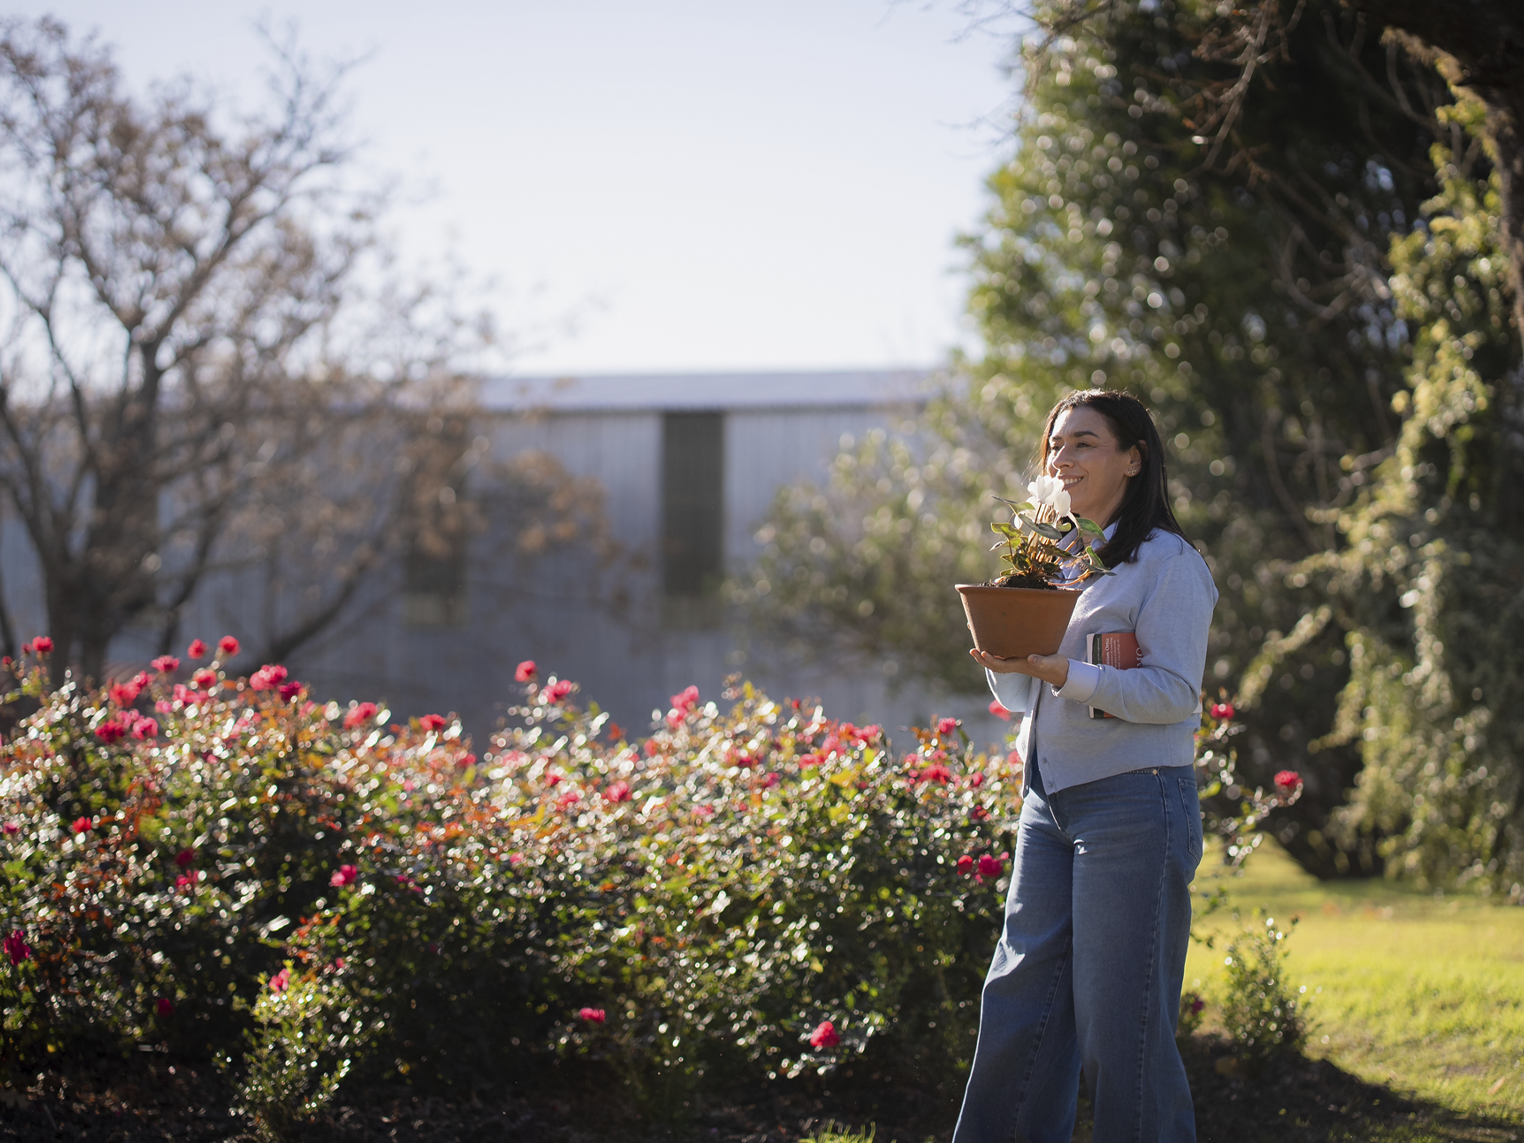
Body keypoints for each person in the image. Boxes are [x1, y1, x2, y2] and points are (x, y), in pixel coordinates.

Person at [952, 389, 1217, 1143]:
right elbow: (1018, 691)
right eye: (1055, 444)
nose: (1062, 458)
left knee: (1121, 1028)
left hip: (1136, 806)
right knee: (1017, 1005)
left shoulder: (1169, 564)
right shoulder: (1049, 556)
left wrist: (1066, 673)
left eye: (1085, 443)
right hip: (1049, 802)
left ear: (1133, 459)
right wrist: (1008, 662)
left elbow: (1173, 693)